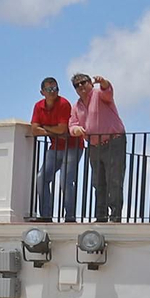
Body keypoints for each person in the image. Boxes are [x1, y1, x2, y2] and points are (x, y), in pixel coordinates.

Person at [68, 73, 126, 223]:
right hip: (94, 146)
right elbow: (72, 125)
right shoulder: (76, 106)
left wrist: (104, 81)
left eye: (83, 82)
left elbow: (108, 91)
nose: (81, 86)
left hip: (114, 142)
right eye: (77, 85)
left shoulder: (99, 94)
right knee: (98, 182)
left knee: (114, 180)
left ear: (90, 83)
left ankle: (115, 216)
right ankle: (101, 216)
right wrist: (76, 130)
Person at [30, 77, 80, 221]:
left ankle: (69, 216)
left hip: (72, 146)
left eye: (55, 89)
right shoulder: (38, 106)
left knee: (65, 181)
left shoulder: (64, 104)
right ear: (42, 92)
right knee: (41, 178)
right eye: (49, 89)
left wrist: (44, 127)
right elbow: (34, 130)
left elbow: (62, 128)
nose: (53, 92)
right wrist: (52, 131)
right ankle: (45, 215)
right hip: (56, 146)